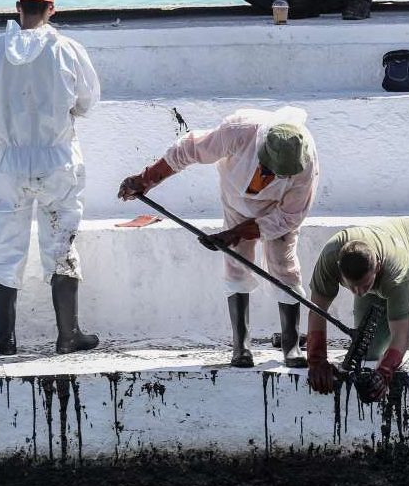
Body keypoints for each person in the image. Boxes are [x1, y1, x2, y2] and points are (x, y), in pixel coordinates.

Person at [118, 107, 318, 368]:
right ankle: (241, 346)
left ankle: (291, 346)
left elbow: (289, 217)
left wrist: (235, 234)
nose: (269, 176)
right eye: (267, 168)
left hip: (277, 211)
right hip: (237, 201)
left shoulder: (306, 163)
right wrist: (147, 179)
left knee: (284, 267)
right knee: (236, 264)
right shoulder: (240, 132)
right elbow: (189, 149)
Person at [0, 0, 100, 355]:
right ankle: (68, 334)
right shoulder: (68, 49)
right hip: (57, 157)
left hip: (9, 159)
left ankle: (6, 338)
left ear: (18, 6)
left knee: (6, 245)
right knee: (61, 243)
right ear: (51, 9)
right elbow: (86, 103)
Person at [305, 218, 409, 401]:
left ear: (377, 267)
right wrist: (316, 360)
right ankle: (374, 294)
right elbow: (317, 310)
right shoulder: (330, 256)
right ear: (339, 268)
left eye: (365, 285)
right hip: (382, 267)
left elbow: (401, 336)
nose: (360, 293)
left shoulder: (396, 274)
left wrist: (385, 371)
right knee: (369, 353)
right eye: (353, 287)